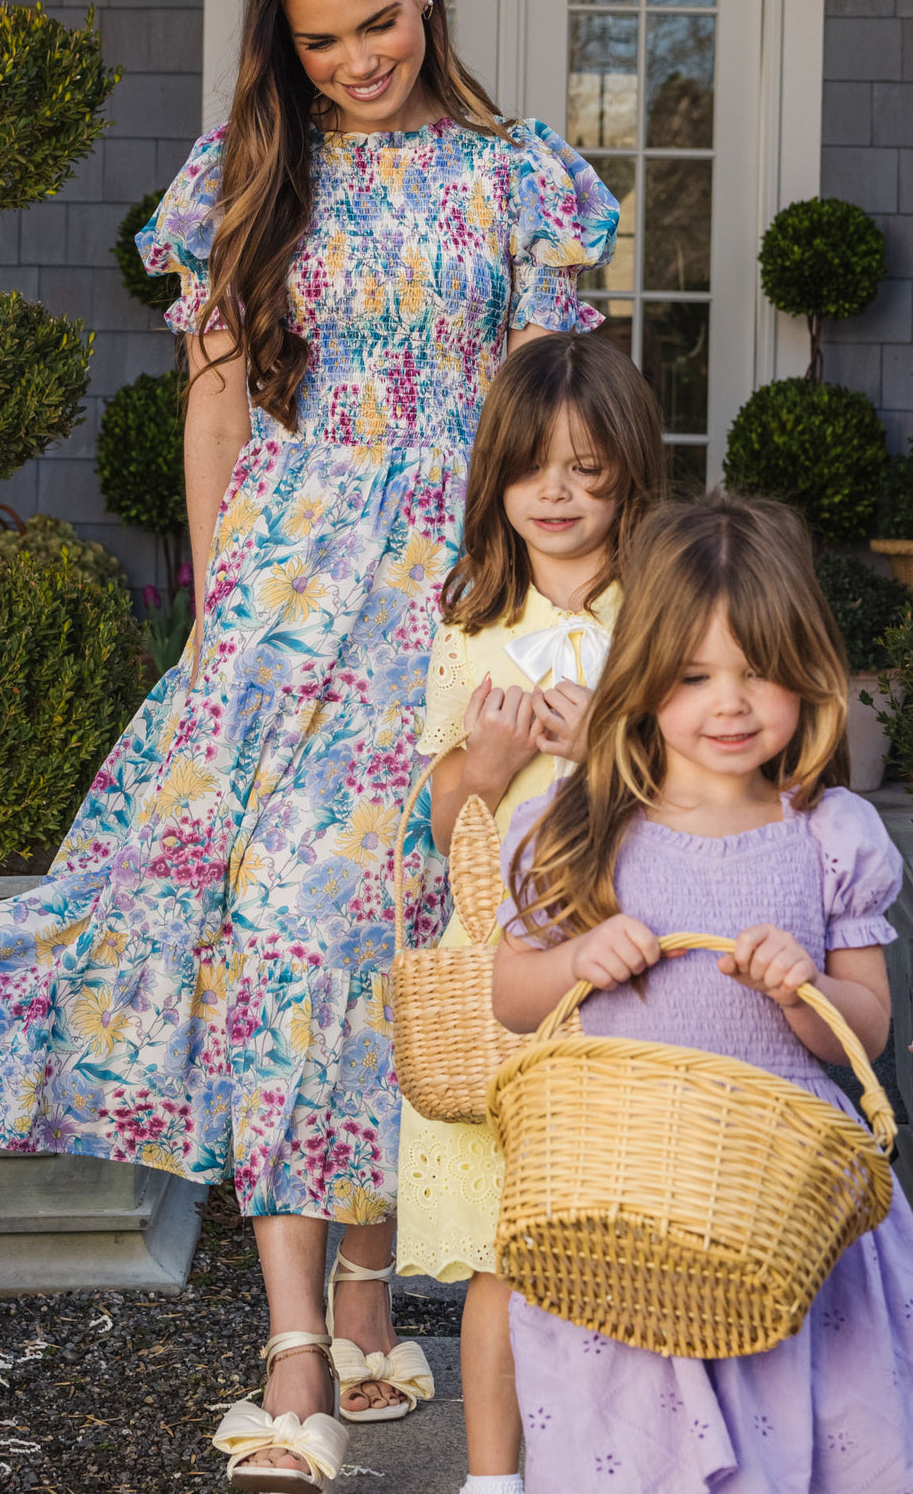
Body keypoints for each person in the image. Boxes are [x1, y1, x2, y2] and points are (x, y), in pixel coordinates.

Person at [0, 0, 618, 1489]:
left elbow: (578, 411)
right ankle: (294, 1351)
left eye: (380, 21)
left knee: (405, 943)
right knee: (281, 937)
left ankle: (367, 1306)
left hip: (462, 608)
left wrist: (585, 619)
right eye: (320, 36)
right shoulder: (248, 177)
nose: (357, 58)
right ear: (281, 41)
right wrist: (221, 620)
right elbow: (218, 412)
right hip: (283, 611)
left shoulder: (522, 181)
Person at [492, 491, 913, 1494]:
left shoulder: (825, 831)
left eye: (760, 673)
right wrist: (574, 960)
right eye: (692, 676)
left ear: (807, 673)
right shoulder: (583, 823)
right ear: (639, 679)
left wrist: (803, 988)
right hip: (620, 1213)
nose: (730, 703)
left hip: (784, 1218)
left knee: (799, 1446)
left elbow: (867, 1027)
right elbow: (512, 994)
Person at [395, 330, 664, 1494]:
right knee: (506, 1243)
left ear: (629, 475)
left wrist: (603, 734)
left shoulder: (658, 616)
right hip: (498, 966)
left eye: (586, 468)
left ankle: (634, 1455)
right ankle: (493, 1477)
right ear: (494, 475)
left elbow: (702, 777)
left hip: (627, 950)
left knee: (621, 1225)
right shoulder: (464, 624)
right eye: (530, 467)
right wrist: (483, 759)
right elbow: (424, 814)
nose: (554, 493)